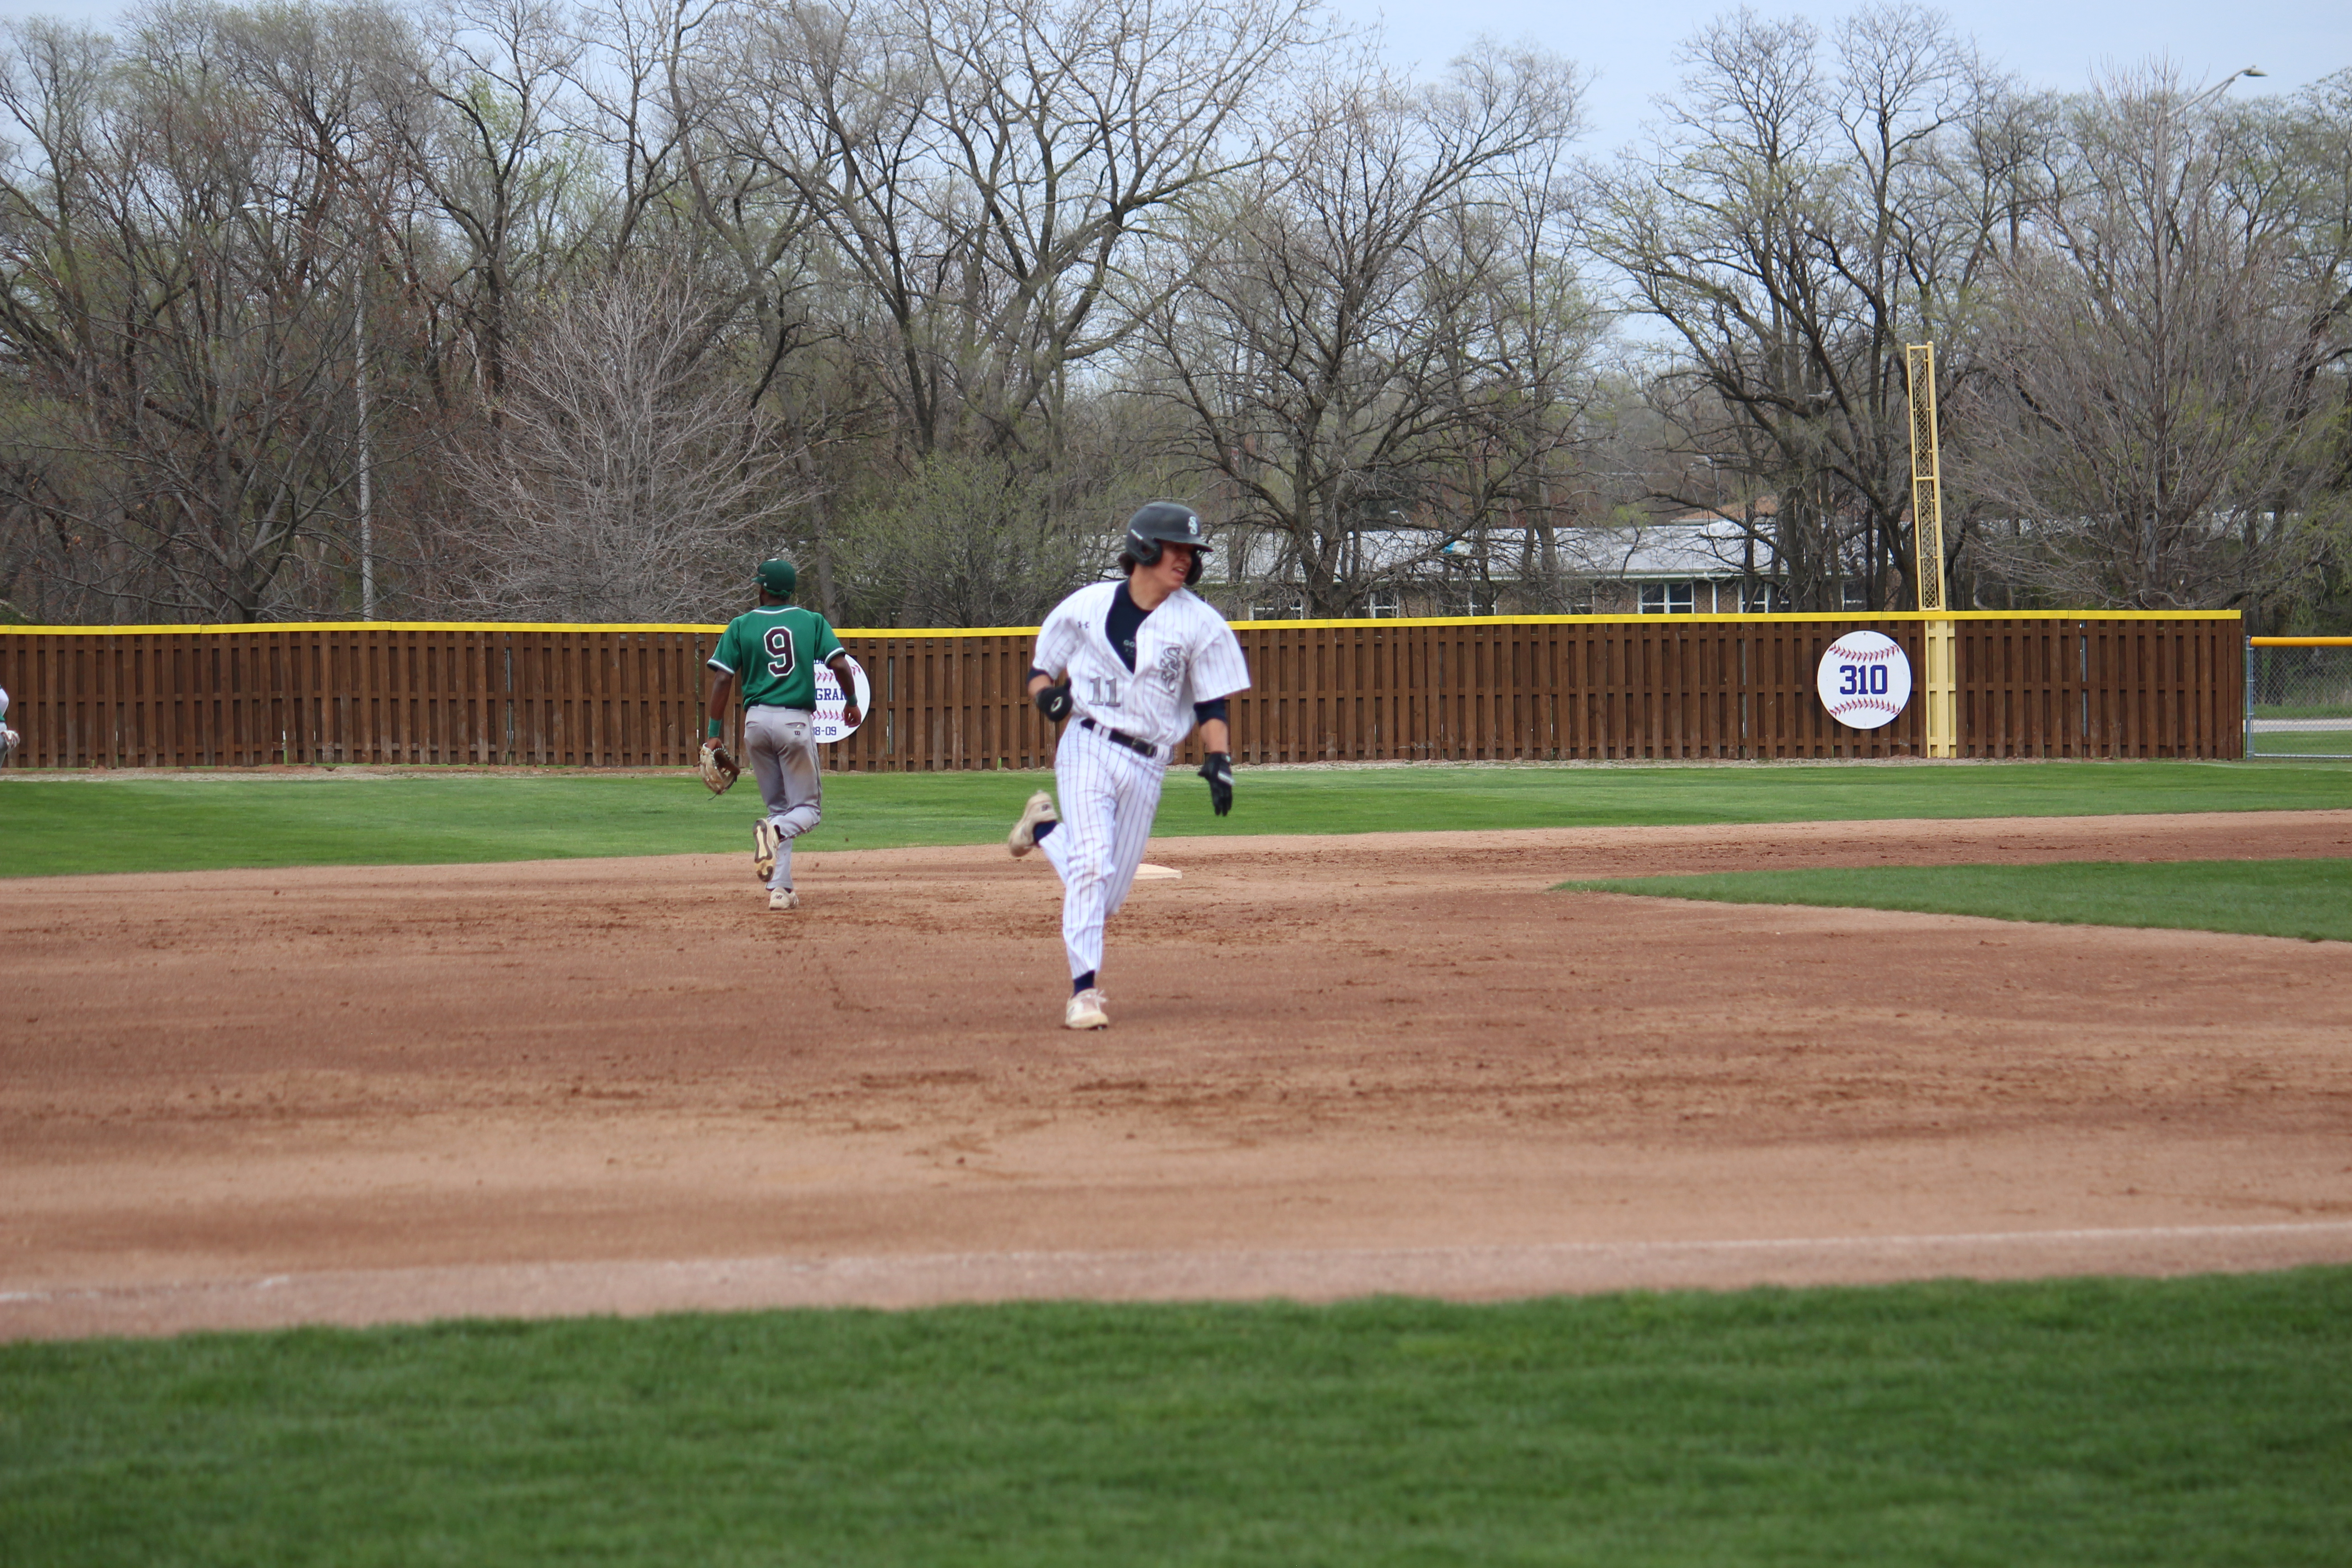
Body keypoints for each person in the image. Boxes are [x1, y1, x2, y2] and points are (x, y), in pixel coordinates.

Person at [1008, 503, 1250, 1029]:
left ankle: (1045, 826)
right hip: (1087, 744)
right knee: (1091, 865)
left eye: (1191, 552)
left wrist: (1218, 758)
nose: (1185, 560)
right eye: (1175, 548)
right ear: (1143, 548)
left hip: (1148, 763)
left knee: (1106, 897)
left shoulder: (1199, 623)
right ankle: (1084, 994)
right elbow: (1040, 670)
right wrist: (1045, 696)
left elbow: (1211, 702)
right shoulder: (1088, 607)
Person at [703, 559, 861, 911]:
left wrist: (713, 734)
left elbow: (724, 679)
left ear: (761, 589)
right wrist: (850, 701)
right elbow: (839, 664)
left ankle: (780, 890)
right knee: (807, 811)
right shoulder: (811, 621)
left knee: (779, 809)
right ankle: (772, 834)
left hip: (756, 724)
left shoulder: (741, 625)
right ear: (792, 591)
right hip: (794, 723)